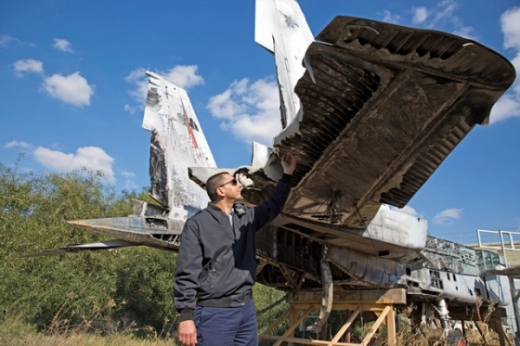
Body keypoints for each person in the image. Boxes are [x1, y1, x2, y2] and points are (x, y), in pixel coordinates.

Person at [174, 152, 297, 346]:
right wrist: (186, 316)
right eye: (233, 183)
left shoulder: (245, 218)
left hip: (246, 309)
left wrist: (287, 174)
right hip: (215, 313)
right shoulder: (197, 224)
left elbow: (273, 206)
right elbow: (186, 271)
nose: (239, 185)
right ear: (220, 191)